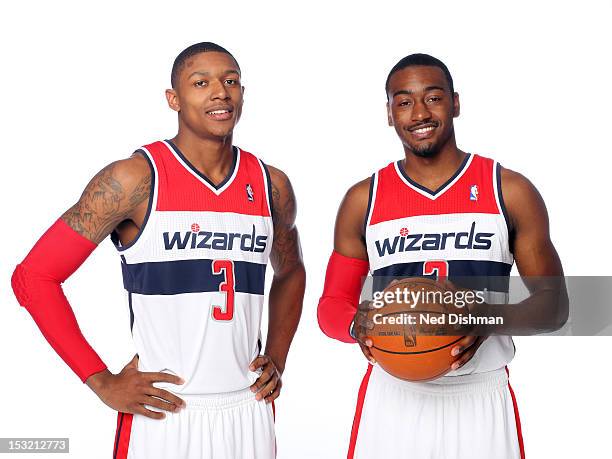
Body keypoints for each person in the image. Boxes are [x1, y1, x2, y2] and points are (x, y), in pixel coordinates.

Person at [11, 42, 305, 459]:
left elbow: (291, 270)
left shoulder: (270, 184)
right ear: (174, 99)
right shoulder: (134, 179)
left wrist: (276, 355)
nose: (220, 92)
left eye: (231, 81)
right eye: (201, 83)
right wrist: (100, 380)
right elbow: (33, 278)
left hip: (248, 409)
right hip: (164, 413)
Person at [317, 53, 567, 458]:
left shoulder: (509, 190)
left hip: (479, 394)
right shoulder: (364, 199)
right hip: (394, 396)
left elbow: (555, 305)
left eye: (433, 98)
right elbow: (331, 305)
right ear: (389, 112)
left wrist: (484, 318)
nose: (419, 113)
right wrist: (355, 325)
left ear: (455, 103)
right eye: (404, 101)